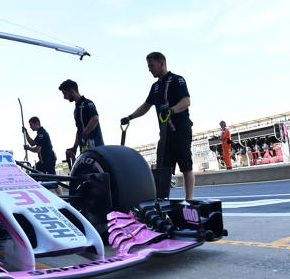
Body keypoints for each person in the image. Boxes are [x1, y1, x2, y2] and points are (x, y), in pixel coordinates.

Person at [121, 52, 195, 199]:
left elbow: (186, 101)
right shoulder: (155, 87)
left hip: (180, 130)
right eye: (148, 66)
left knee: (186, 165)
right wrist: (130, 117)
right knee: (162, 167)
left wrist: (171, 110)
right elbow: (146, 105)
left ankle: (189, 200)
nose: (149, 69)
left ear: (162, 64)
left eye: (151, 65)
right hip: (165, 134)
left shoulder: (177, 80)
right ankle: (162, 199)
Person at [58, 79, 103, 166]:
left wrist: (85, 133)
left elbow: (95, 119)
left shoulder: (87, 103)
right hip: (84, 148)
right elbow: (79, 130)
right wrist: (74, 147)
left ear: (71, 91)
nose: (64, 97)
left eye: (64, 93)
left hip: (95, 147)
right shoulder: (76, 110)